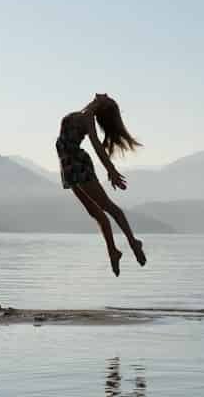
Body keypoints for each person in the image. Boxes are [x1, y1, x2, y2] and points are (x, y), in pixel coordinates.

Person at [56, 93, 146, 276]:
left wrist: (111, 170)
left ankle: (132, 241)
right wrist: (97, 102)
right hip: (67, 166)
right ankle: (113, 251)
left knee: (108, 207)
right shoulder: (86, 111)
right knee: (95, 213)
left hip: (77, 165)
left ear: (103, 106)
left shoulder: (88, 118)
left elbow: (97, 145)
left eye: (107, 98)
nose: (103, 94)